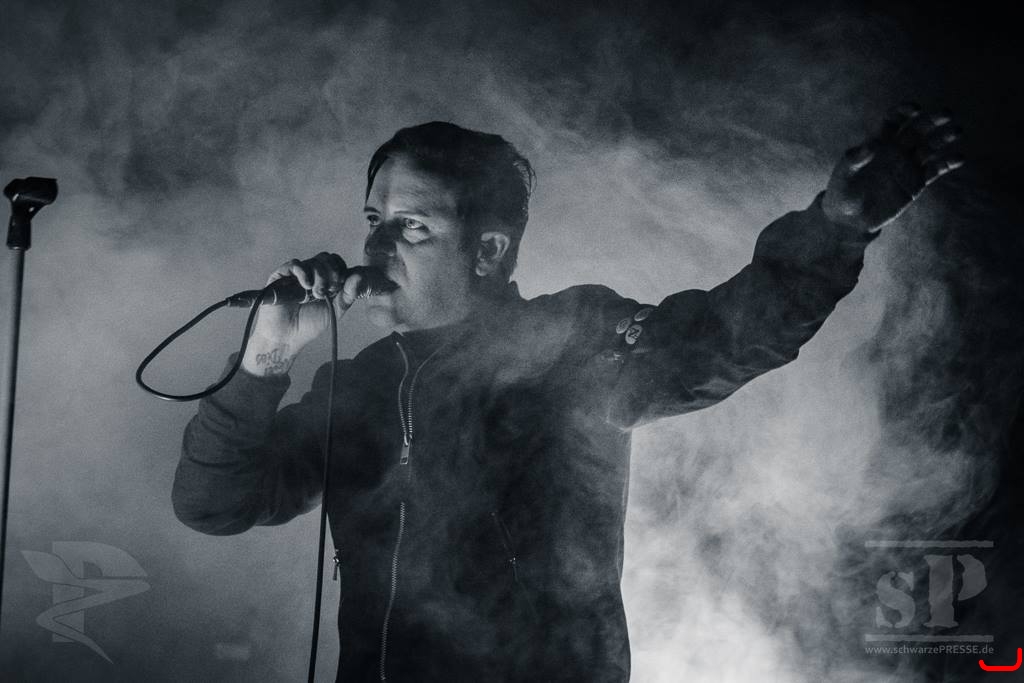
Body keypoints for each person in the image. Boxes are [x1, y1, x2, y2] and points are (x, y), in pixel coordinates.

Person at [172, 109, 962, 681]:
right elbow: (212, 504)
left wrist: (835, 227)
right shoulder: (356, 382)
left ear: (488, 249)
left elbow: (724, 337)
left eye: (411, 227)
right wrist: (267, 355)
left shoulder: (574, 341)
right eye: (373, 219)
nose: (374, 245)